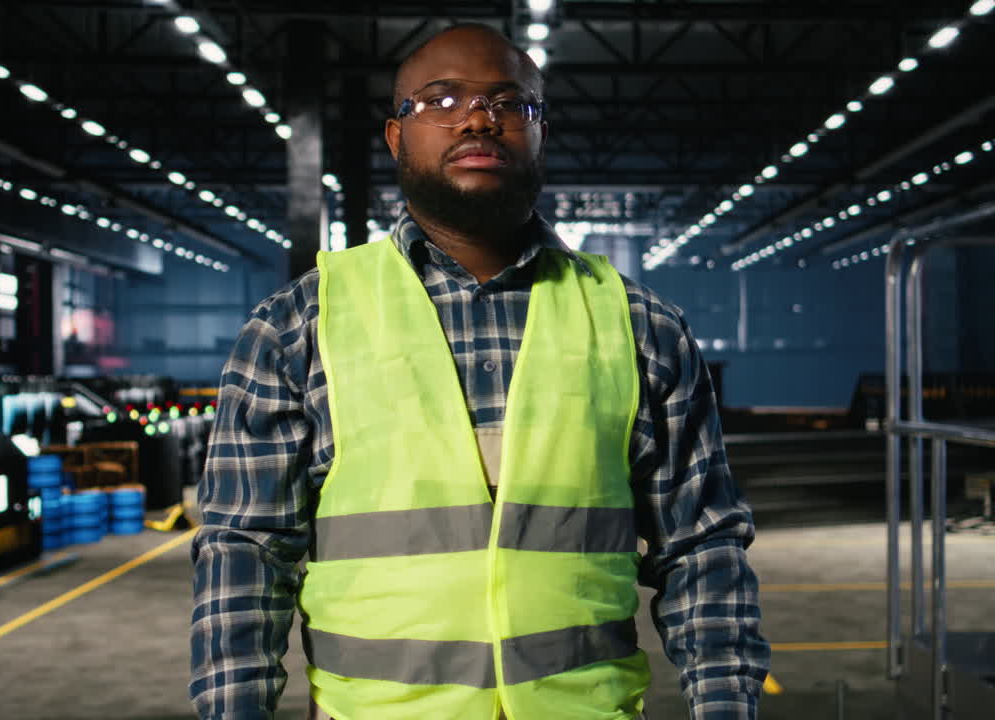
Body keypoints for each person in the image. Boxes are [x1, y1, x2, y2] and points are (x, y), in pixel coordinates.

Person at [190, 24, 769, 720]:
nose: (477, 119)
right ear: (396, 136)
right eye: (441, 101)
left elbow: (702, 549)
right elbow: (244, 554)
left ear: (540, 132)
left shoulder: (640, 326)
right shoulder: (297, 326)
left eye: (510, 103)